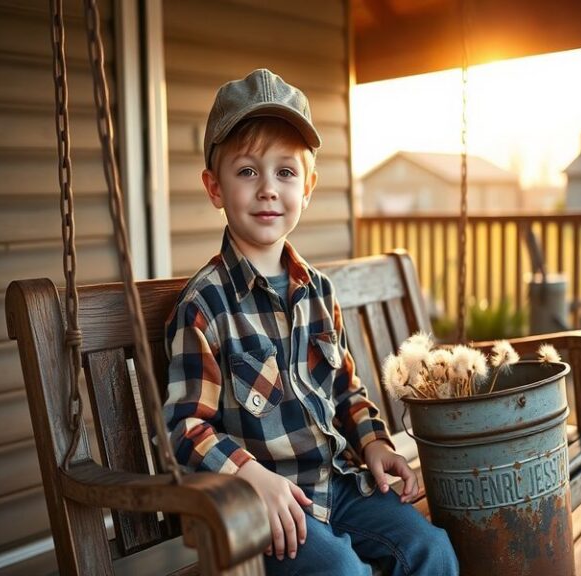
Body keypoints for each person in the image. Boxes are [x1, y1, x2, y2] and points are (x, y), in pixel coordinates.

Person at [164, 68, 458, 576]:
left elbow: (345, 387)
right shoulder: (204, 306)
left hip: (340, 483)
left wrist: (373, 442)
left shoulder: (318, 291)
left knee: (431, 550)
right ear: (214, 187)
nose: (268, 190)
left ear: (309, 185)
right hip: (266, 510)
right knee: (344, 571)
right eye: (248, 171)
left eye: (285, 172)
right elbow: (187, 428)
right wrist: (253, 478)